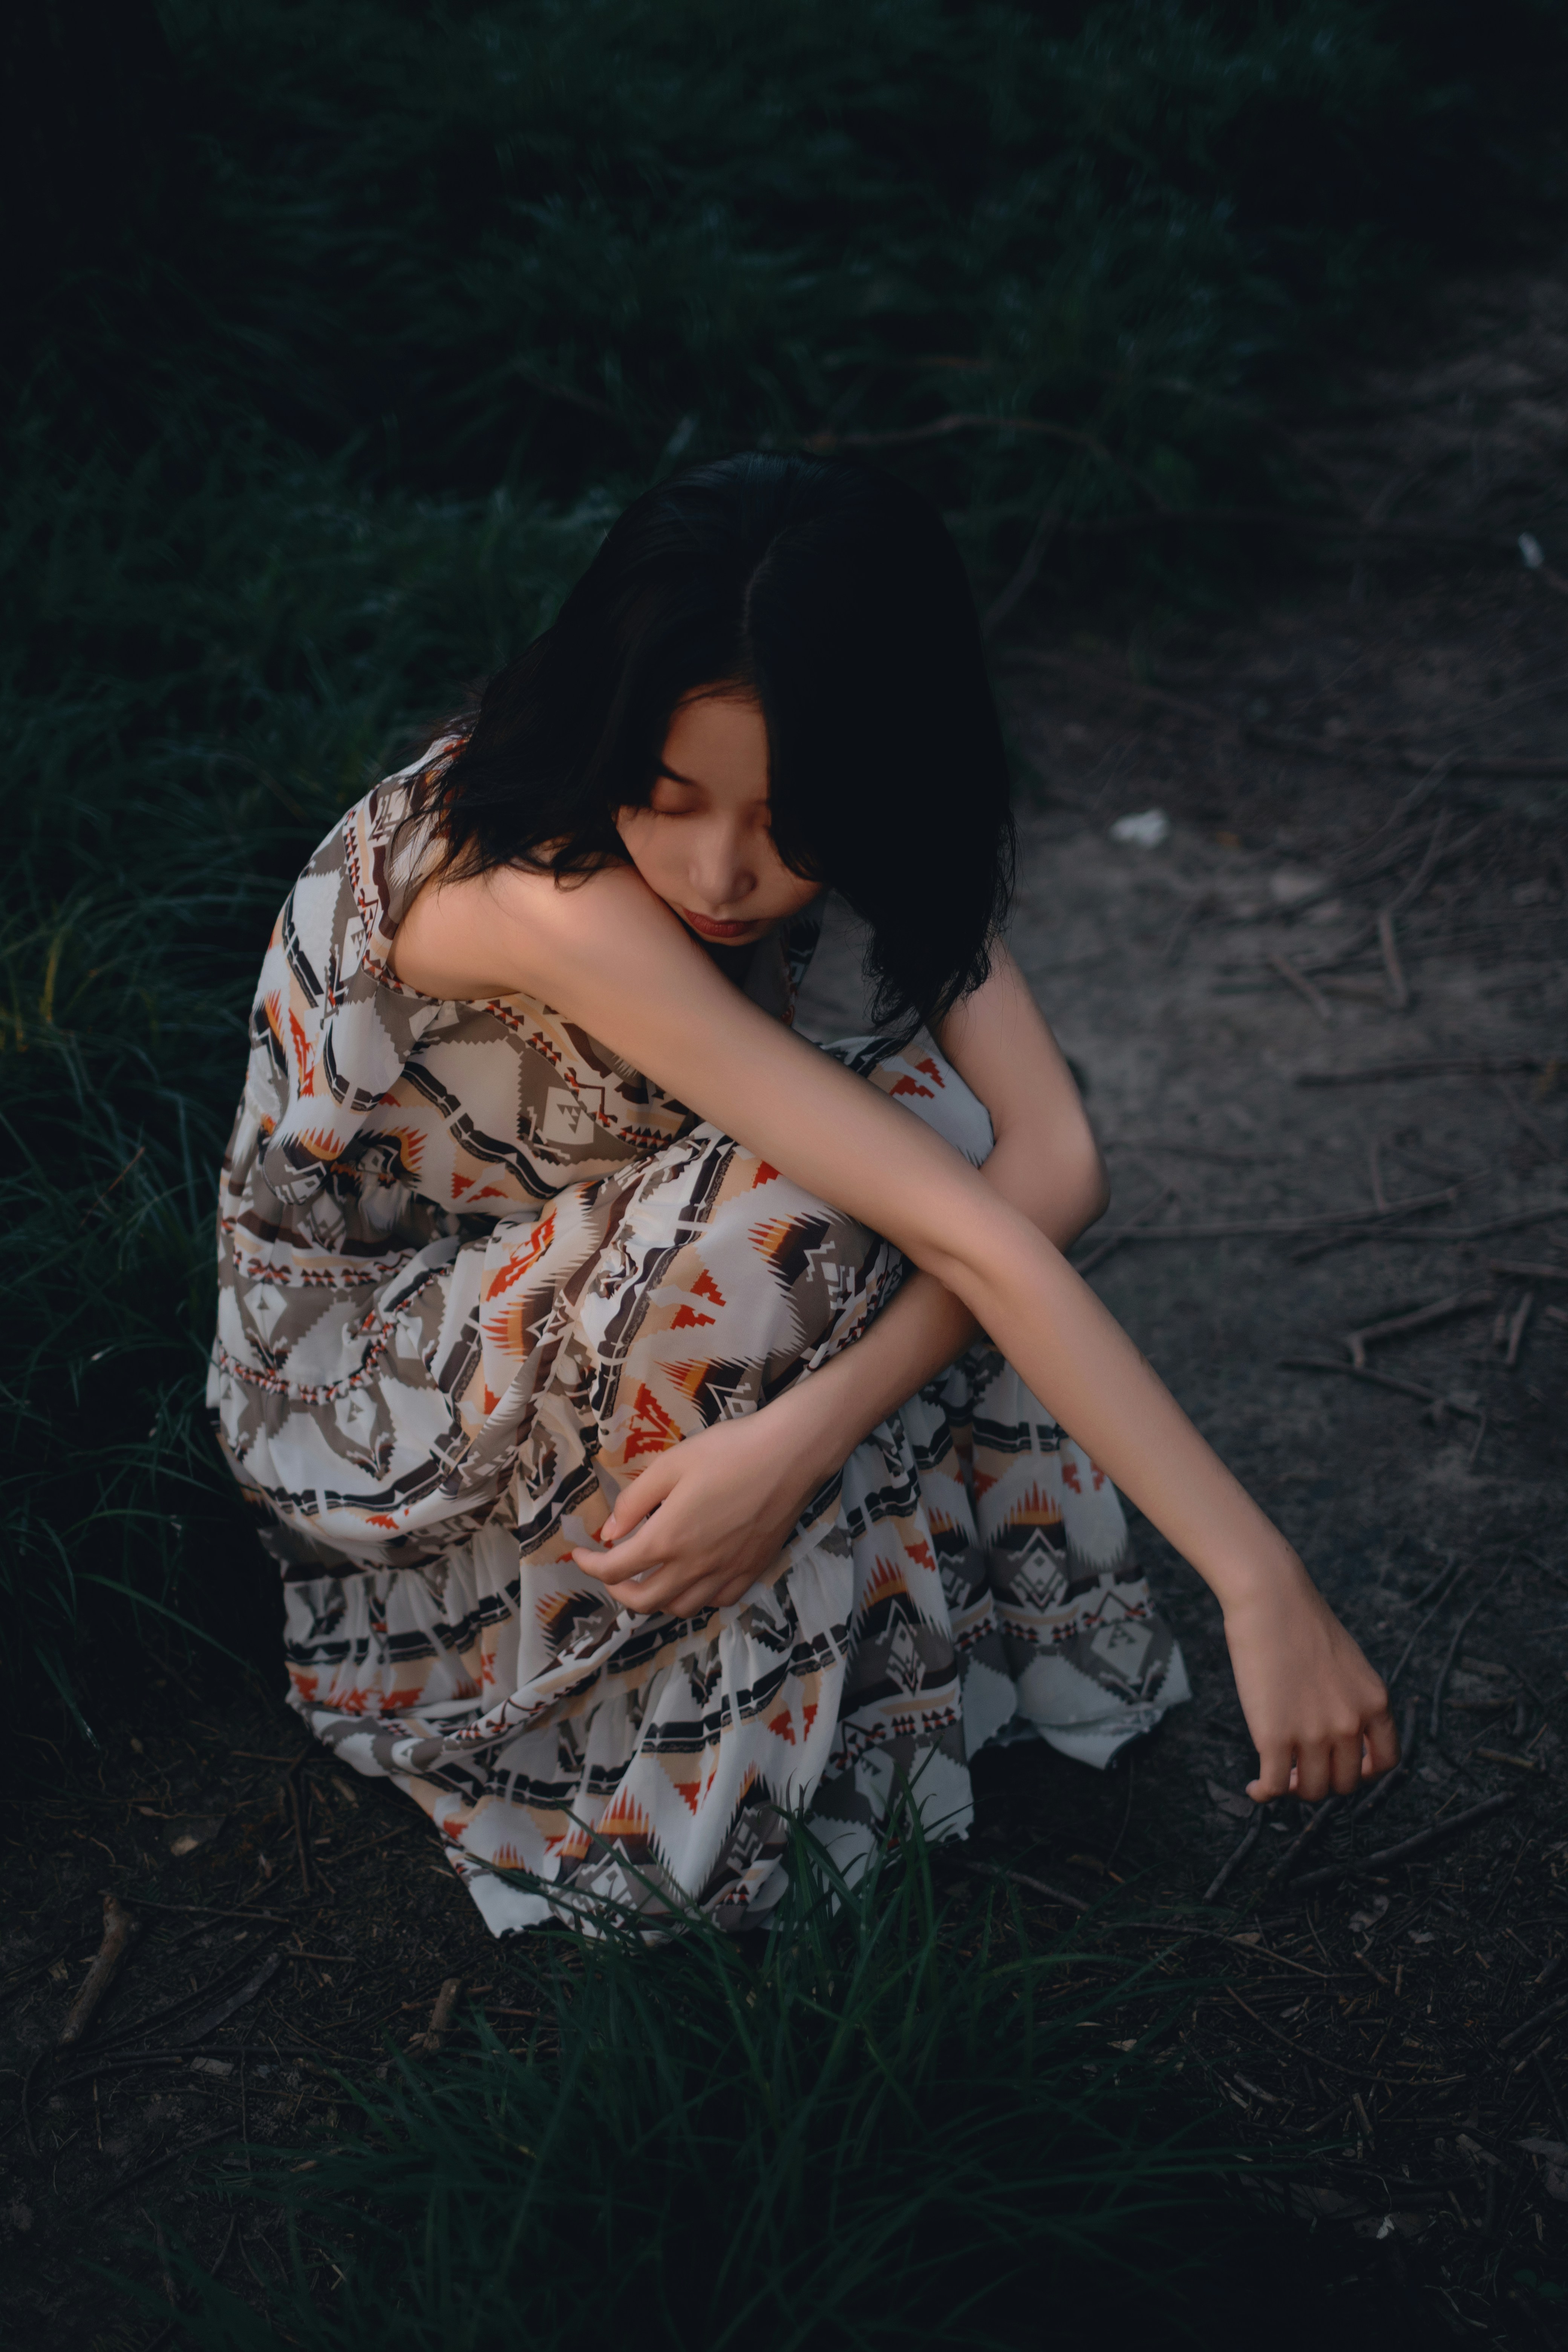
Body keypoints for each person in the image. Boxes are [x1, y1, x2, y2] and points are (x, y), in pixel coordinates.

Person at [208, 453, 1395, 1936]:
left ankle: (862, 1656)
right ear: (607, 736)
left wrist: (801, 1436)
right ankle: (610, 1766)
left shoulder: (834, 803)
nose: (720, 871)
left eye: (792, 817)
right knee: (811, 1206)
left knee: (913, 1142)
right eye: (665, 795)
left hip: (581, 1271)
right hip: (364, 1385)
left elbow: (1052, 1162)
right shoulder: (544, 892)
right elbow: (978, 1226)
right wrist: (1258, 1576)